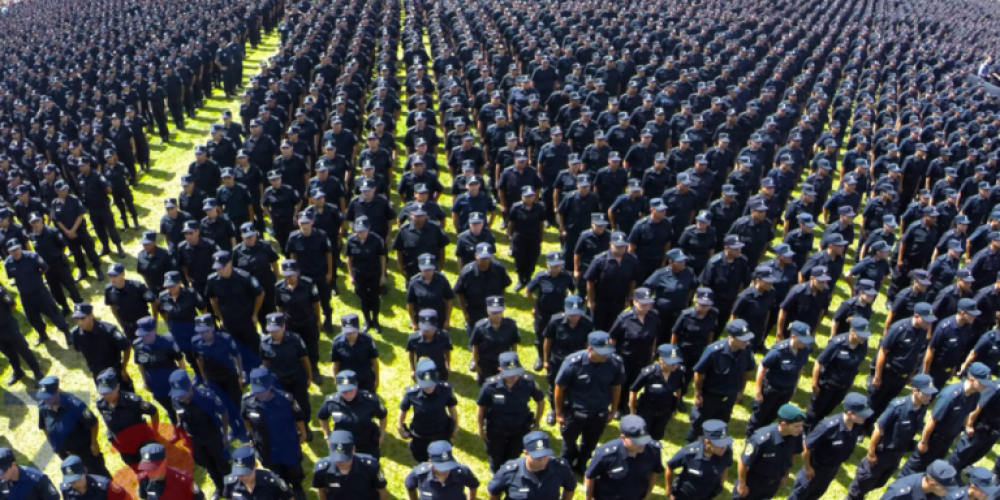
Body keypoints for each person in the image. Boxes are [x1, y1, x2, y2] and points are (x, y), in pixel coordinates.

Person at [847, 375, 937, 500]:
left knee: (880, 482)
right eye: (926, 393)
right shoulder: (898, 407)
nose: (930, 397)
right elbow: (879, 428)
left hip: (897, 454)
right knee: (862, 483)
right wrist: (871, 453)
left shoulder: (922, 406)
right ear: (915, 391)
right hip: (882, 453)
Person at [899, 362, 991, 476]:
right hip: (935, 438)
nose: (985, 386)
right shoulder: (951, 395)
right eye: (982, 382)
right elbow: (932, 420)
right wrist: (923, 442)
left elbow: (966, 414)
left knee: (931, 469)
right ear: (972, 379)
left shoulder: (975, 395)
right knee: (914, 468)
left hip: (947, 440)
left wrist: (962, 430)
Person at [554, 331, 625, 473]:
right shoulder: (572, 363)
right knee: (568, 444)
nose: (605, 355)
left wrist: (613, 410)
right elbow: (559, 388)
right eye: (601, 351)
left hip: (599, 413)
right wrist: (558, 413)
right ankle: (566, 468)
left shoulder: (614, 363)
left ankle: (581, 464)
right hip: (574, 413)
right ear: (590, 348)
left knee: (589, 445)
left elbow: (616, 388)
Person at [867, 302, 936, 434]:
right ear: (916, 316)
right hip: (887, 373)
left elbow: (915, 353)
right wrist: (877, 376)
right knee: (873, 401)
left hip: (901, 377)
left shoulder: (922, 331)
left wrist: (911, 374)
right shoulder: (899, 328)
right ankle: (860, 427)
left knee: (884, 403)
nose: (928, 324)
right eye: (926, 320)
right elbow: (883, 351)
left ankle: (868, 424)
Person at [788, 393, 872, 500]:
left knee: (815, 495)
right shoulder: (828, 426)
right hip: (816, 469)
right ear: (850, 413)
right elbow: (806, 446)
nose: (865, 417)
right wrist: (808, 468)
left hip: (832, 469)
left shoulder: (857, 425)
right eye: (862, 414)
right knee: (800, 495)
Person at [241, 367, 308, 500]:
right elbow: (246, 420)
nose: (260, 394)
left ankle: (297, 486)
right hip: (265, 446)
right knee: (275, 471)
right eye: (257, 391)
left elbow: (299, 417)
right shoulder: (247, 402)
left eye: (263, 390)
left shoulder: (286, 399)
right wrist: (250, 436)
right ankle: (284, 489)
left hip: (287, 443)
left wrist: (303, 433)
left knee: (294, 469)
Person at [685, 320, 756, 442]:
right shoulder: (714, 351)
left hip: (729, 397)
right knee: (698, 426)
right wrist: (697, 394)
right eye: (742, 339)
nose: (746, 341)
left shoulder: (746, 349)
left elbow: (747, 371)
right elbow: (699, 372)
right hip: (710, 397)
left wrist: (741, 391)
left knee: (720, 426)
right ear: (731, 337)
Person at [477, 352, 545, 472]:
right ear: (500, 370)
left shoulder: (528, 383)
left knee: (513, 457)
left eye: (515, 373)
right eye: (509, 373)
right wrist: (481, 429)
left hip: (519, 429)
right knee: (496, 458)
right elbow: (481, 407)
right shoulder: (490, 385)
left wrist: (536, 422)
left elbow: (540, 400)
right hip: (496, 429)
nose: (513, 377)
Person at [745, 321, 814, 436]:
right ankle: (751, 436)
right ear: (793, 336)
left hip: (786, 390)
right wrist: (757, 391)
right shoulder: (779, 350)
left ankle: (763, 434)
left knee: (774, 415)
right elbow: (762, 366)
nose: (805, 343)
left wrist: (795, 387)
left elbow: (800, 368)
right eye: (802, 340)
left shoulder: (805, 350)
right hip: (771, 389)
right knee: (760, 415)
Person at [167, 370, 230, 495]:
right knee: (207, 464)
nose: (181, 397)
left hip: (211, 434)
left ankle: (230, 487)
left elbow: (224, 412)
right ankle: (219, 486)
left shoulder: (206, 396)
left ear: (190, 386)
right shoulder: (175, 399)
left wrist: (226, 435)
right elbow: (178, 415)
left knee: (221, 461)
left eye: (183, 393)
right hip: (194, 439)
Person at [35, 376, 110, 477]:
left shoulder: (75, 405)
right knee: (79, 478)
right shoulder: (43, 407)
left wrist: (94, 443)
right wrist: (53, 445)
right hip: (65, 454)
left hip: (85, 451)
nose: (45, 400)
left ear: (57, 391)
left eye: (48, 396)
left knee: (100, 475)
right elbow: (44, 426)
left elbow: (93, 422)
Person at [805, 317, 871, 431]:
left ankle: (815, 429)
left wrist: (851, 382)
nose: (864, 338)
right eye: (861, 334)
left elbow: (856, 365)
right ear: (852, 331)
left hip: (842, 387)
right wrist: (815, 384)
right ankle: (805, 430)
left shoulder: (863, 345)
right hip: (827, 384)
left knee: (827, 410)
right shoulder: (837, 343)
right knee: (814, 411)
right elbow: (819, 362)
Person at [205, 250, 265, 374]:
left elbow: (260, 293)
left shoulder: (244, 277)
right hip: (229, 320)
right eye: (217, 268)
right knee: (236, 345)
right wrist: (220, 317)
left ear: (230, 264)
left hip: (246, 318)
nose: (219, 270)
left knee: (252, 343)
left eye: (222, 267)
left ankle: (258, 368)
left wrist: (255, 314)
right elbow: (212, 298)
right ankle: (244, 370)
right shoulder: (213, 280)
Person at [4, 239, 71, 345]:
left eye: (17, 249)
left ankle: (66, 332)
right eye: (12, 250)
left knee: (52, 311)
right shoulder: (8, 263)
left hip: (39, 291)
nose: (15, 252)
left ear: (20, 248)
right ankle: (42, 334)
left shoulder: (32, 257)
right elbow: (11, 277)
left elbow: (44, 268)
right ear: (9, 251)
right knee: (32, 317)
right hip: (25, 295)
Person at [191, 313, 246, 441]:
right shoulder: (195, 342)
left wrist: (240, 375)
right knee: (223, 405)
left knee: (236, 404)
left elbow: (237, 355)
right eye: (201, 332)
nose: (203, 334)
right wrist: (204, 377)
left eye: (206, 331)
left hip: (230, 377)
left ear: (212, 328)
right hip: (213, 379)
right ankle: (234, 428)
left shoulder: (225, 339)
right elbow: (199, 359)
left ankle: (243, 429)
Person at [733, 404, 805, 500]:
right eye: (796, 426)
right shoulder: (761, 439)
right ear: (783, 424)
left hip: (772, 485)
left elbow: (792, 455)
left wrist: (785, 474)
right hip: (753, 483)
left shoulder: (796, 435)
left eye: (801, 425)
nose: (801, 429)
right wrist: (742, 484)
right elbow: (743, 462)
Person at [93, 368, 160, 471]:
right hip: (124, 447)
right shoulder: (100, 404)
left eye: (109, 392)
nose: (106, 395)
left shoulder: (133, 401)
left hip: (141, 442)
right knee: (136, 469)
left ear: (117, 387)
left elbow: (153, 411)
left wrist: (155, 431)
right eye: (103, 393)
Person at [260, 312, 313, 441]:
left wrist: (309, 377)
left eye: (277, 330)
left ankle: (305, 426)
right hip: (279, 381)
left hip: (297, 378)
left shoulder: (295, 339)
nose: (274, 333)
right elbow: (266, 362)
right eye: (271, 330)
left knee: (302, 403)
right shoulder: (265, 343)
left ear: (283, 327)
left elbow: (305, 359)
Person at [584, 415, 664, 500]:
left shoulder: (653, 451)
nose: (642, 444)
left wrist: (648, 493)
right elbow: (589, 476)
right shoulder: (605, 455)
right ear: (623, 437)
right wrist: (588, 498)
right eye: (637, 441)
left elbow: (654, 472)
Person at [609, 288, 660, 416]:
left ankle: (624, 403)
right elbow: (613, 338)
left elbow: (654, 335)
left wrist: (653, 352)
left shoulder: (653, 316)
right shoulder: (624, 318)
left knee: (634, 382)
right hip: (625, 357)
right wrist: (612, 357)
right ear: (635, 302)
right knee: (621, 382)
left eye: (648, 304)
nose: (646, 307)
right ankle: (616, 404)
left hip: (643, 357)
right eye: (643, 304)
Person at [398, 359, 459, 463]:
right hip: (421, 437)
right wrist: (400, 427)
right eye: (425, 385)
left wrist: (455, 427)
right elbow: (402, 410)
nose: (429, 387)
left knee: (442, 462)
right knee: (423, 462)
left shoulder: (445, 390)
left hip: (441, 434)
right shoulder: (411, 393)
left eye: (431, 384)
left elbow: (452, 410)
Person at [485, 431, 576, 500]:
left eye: (545, 456)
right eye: (537, 458)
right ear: (526, 453)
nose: (543, 461)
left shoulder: (560, 468)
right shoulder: (509, 472)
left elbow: (570, 487)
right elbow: (494, 491)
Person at [317, 370, 388, 458]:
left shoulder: (370, 400)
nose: (348, 394)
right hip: (342, 445)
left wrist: (382, 435)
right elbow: (322, 416)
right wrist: (327, 436)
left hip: (367, 444)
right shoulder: (331, 402)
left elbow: (383, 416)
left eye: (351, 390)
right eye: (344, 391)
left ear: (356, 385)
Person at [286, 211, 335, 331]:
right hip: (303, 274)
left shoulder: (321, 235)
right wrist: (295, 273)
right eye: (302, 223)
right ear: (298, 223)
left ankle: (328, 320)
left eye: (307, 222)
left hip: (320, 272)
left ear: (312, 222)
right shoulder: (293, 237)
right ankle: (312, 321)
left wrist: (329, 272)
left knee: (325, 298)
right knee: (306, 299)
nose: (304, 225)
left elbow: (328, 254)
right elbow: (292, 255)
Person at [273, 261, 322, 379]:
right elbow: (279, 306)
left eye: (291, 274)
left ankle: (314, 369)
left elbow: (316, 302)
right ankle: (301, 369)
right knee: (295, 347)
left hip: (308, 321)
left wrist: (318, 319)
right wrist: (281, 323)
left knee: (312, 346)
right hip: (291, 324)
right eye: (286, 275)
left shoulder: (308, 284)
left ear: (297, 273)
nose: (289, 277)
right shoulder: (279, 287)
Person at [69, 303, 133, 392]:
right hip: (98, 375)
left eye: (83, 318)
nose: (80, 322)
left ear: (91, 316)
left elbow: (126, 347)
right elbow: (77, 348)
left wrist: (124, 368)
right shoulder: (75, 334)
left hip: (115, 373)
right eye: (77, 319)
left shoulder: (109, 330)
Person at [526, 251, 575, 368]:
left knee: (557, 336)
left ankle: (553, 356)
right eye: (554, 266)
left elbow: (572, 290)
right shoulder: (540, 276)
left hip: (559, 314)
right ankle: (541, 358)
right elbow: (528, 291)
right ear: (547, 264)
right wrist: (534, 306)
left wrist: (568, 301)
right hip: (543, 314)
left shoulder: (566, 276)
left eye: (559, 265)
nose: (557, 268)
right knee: (540, 336)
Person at [131, 317, 184, 425]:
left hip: (172, 384)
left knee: (180, 408)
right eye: (142, 335)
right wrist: (145, 381)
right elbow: (140, 364)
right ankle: (177, 428)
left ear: (154, 330)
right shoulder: (138, 346)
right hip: (155, 385)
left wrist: (183, 379)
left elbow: (180, 360)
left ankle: (187, 428)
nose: (144, 338)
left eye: (147, 334)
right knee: (169, 409)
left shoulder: (167, 342)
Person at [584, 231, 641, 331]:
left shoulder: (632, 260)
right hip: (601, 301)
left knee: (614, 327)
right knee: (598, 328)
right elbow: (590, 280)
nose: (621, 248)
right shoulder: (600, 260)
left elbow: (633, 280)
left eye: (623, 246)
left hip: (619, 301)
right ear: (611, 244)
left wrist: (629, 298)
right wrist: (590, 300)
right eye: (618, 246)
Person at [663, 420, 733, 500]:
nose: (724, 448)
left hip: (707, 495)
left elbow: (725, 467)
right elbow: (670, 466)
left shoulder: (726, 452)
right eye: (720, 445)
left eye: (725, 443)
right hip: (685, 495)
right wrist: (668, 490)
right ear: (707, 442)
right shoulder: (689, 453)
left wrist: (720, 485)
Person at [946, 369, 1000, 472]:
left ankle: (959, 470)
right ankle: (947, 472)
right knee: (963, 452)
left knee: (978, 454)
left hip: (994, 431)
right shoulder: (995, 388)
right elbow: (978, 407)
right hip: (981, 427)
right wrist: (969, 425)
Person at [311, 431, 388, 500]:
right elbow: (321, 491)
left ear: (353, 450)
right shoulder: (322, 470)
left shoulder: (370, 466)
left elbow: (381, 490)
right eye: (336, 458)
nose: (341, 462)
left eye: (345, 458)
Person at [454, 243, 513, 331]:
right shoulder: (467, 272)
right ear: (476, 256)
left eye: (487, 257)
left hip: (493, 308)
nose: (484, 260)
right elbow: (460, 293)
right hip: (474, 310)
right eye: (482, 258)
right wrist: (465, 312)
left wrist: (500, 307)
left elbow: (503, 287)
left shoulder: (499, 269)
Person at [629, 344, 682, 441]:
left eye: (676, 362)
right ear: (661, 360)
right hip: (646, 412)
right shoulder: (649, 372)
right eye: (671, 363)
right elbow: (633, 390)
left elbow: (678, 388)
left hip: (664, 412)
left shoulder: (678, 373)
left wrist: (675, 407)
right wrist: (632, 414)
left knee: (656, 437)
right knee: (640, 436)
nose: (675, 365)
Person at [345, 217, 389, 331]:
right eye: (359, 231)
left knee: (375, 298)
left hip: (374, 272)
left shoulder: (377, 240)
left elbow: (382, 257)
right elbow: (349, 258)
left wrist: (383, 275)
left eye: (363, 231)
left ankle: (375, 320)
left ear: (368, 229)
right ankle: (367, 320)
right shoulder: (351, 241)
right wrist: (350, 275)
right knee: (363, 298)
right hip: (359, 274)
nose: (361, 233)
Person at [469, 297, 520, 385]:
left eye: (500, 312)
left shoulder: (511, 325)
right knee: (486, 386)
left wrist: (514, 361)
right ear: (488, 311)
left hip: (504, 364)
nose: (498, 315)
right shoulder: (480, 326)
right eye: (494, 312)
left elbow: (514, 344)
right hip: (486, 363)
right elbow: (475, 345)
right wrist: (475, 362)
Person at [405, 440, 480, 500]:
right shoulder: (420, 474)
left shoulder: (462, 472)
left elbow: (473, 485)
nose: (446, 469)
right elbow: (409, 485)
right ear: (430, 463)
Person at [0, 282, 43, 385]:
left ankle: (37, 372)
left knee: (23, 349)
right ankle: (18, 371)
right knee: (8, 353)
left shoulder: (0, 291)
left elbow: (12, 305)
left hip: (8, 326)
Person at [104, 263, 157, 341]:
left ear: (123, 274)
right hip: (128, 328)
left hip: (144, 324)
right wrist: (120, 322)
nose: (112, 279)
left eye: (115, 276)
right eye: (110, 276)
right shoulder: (108, 290)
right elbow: (113, 306)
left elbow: (154, 301)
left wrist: (154, 320)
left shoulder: (137, 287)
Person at [136, 443, 206, 500]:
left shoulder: (184, 480)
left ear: (164, 463)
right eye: (146, 468)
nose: (149, 473)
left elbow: (201, 498)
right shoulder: (143, 480)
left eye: (153, 468)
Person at [221, 446, 295, 500]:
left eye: (246, 473)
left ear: (255, 465)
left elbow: (289, 497)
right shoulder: (230, 483)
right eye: (239, 473)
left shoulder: (272, 481)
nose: (242, 477)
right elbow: (230, 497)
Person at [331, 314, 380, 392]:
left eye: (352, 332)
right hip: (346, 379)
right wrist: (336, 379)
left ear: (358, 328)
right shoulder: (337, 342)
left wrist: (377, 379)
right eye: (347, 333)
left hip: (365, 378)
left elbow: (374, 360)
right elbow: (335, 363)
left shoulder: (367, 340)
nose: (350, 335)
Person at [876, 460, 956, 500]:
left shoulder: (934, 492)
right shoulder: (900, 493)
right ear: (932, 483)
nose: (947, 491)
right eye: (945, 487)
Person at [59, 454, 125, 500]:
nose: (76, 484)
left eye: (78, 479)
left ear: (84, 472)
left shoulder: (105, 486)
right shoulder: (66, 490)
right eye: (71, 482)